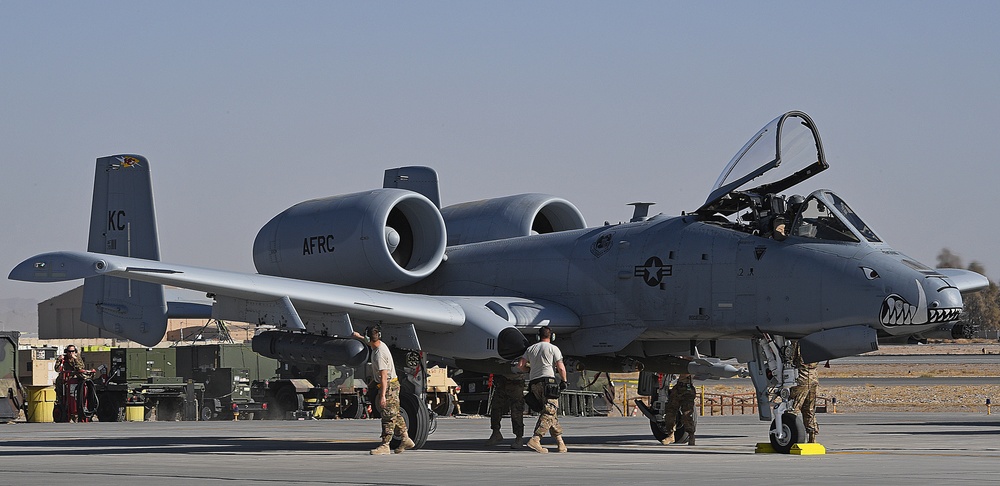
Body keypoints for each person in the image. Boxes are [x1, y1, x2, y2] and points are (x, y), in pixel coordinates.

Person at [353, 326, 415, 455]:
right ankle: (405, 439)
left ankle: (385, 445)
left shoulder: (379, 354)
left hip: (389, 386)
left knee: (387, 416)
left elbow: (384, 376)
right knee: (394, 413)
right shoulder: (379, 344)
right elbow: (368, 340)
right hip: (391, 384)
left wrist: (382, 396)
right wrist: (358, 337)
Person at [517, 326, 568, 453]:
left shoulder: (531, 349)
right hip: (548, 383)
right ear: (552, 336)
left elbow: (520, 365)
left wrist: (530, 370)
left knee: (550, 412)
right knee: (549, 411)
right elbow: (561, 367)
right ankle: (536, 439)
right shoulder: (553, 348)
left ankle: (560, 442)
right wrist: (564, 380)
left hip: (534, 383)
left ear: (538, 336)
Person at [485, 372, 526, 449]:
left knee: (516, 411)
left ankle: (519, 437)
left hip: (516, 380)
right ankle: (496, 432)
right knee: (496, 407)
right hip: (502, 380)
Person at [789, 340, 819, 443]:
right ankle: (812, 438)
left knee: (792, 408)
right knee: (810, 409)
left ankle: (790, 435)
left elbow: (791, 358)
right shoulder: (816, 343)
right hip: (814, 377)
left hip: (802, 378)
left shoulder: (799, 342)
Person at [54, 345, 91, 422]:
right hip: (65, 380)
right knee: (61, 390)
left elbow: (81, 367)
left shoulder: (77, 358)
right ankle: (64, 408)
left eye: (72, 351)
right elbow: (57, 369)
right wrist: (59, 360)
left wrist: (75, 359)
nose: (71, 353)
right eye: (69, 352)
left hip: (75, 379)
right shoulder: (64, 359)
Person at [658, 373, 697, 445]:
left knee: (686, 414)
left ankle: (691, 435)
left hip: (688, 390)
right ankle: (671, 435)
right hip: (678, 388)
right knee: (670, 412)